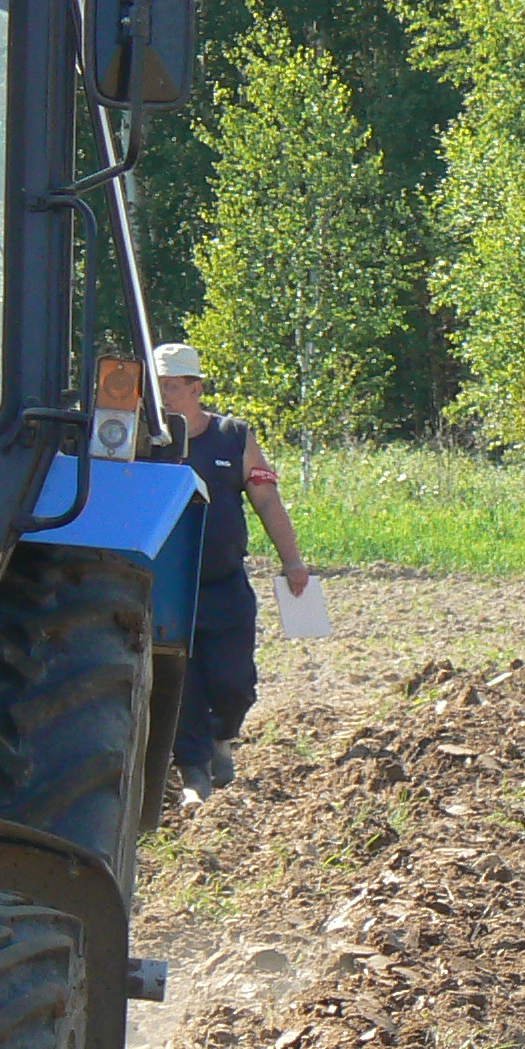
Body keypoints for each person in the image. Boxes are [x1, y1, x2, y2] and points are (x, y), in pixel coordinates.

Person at [153, 343, 310, 807]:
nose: (162, 396)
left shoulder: (232, 436)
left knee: (234, 682)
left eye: (171, 387)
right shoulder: (147, 442)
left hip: (224, 585)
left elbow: (265, 500)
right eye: (156, 386)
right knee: (181, 680)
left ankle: (224, 737)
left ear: (195, 388)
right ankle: (194, 772)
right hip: (168, 589)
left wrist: (293, 560)